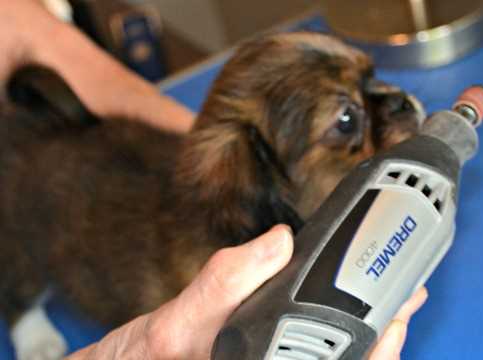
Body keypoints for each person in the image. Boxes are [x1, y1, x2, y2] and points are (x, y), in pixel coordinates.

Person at [0, 1, 428, 359]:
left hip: (108, 154)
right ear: (258, 185)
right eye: (347, 119)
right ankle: (20, 313)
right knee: (20, 253)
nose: (396, 101)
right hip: (37, 190)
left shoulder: (242, 177)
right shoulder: (198, 270)